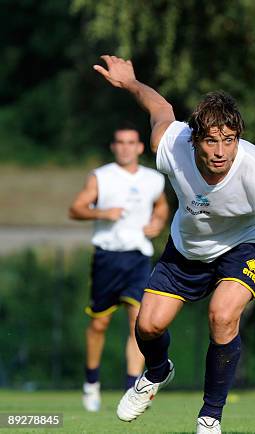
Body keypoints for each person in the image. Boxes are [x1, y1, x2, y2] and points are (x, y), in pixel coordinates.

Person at [93, 54, 255, 433]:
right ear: (196, 139)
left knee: (223, 315)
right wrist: (130, 82)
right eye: (211, 141)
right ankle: (158, 371)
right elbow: (160, 106)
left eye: (229, 140)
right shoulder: (170, 144)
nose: (221, 152)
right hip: (189, 247)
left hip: (248, 243)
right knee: (147, 327)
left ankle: (210, 417)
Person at [68, 125, 168, 412]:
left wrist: (158, 223)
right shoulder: (101, 176)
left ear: (139, 147)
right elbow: (75, 208)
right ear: (114, 147)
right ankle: (91, 384)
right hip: (107, 257)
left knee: (139, 324)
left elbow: (161, 207)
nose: (125, 147)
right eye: (120, 142)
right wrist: (101, 212)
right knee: (99, 323)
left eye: (131, 142)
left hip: (138, 257)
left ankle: (131, 388)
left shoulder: (153, 179)